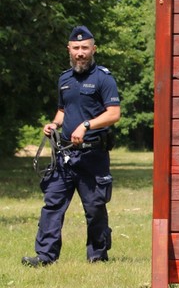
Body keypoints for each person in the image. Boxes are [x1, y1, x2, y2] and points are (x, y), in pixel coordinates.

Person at [22, 25, 121, 267]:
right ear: (69, 49)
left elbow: (114, 114)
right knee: (52, 204)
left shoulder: (103, 78)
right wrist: (53, 124)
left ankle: (97, 256)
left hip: (93, 154)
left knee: (95, 207)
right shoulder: (64, 79)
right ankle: (45, 256)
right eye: (76, 48)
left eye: (84, 48)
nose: (80, 53)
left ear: (93, 49)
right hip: (65, 156)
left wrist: (86, 125)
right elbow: (63, 110)